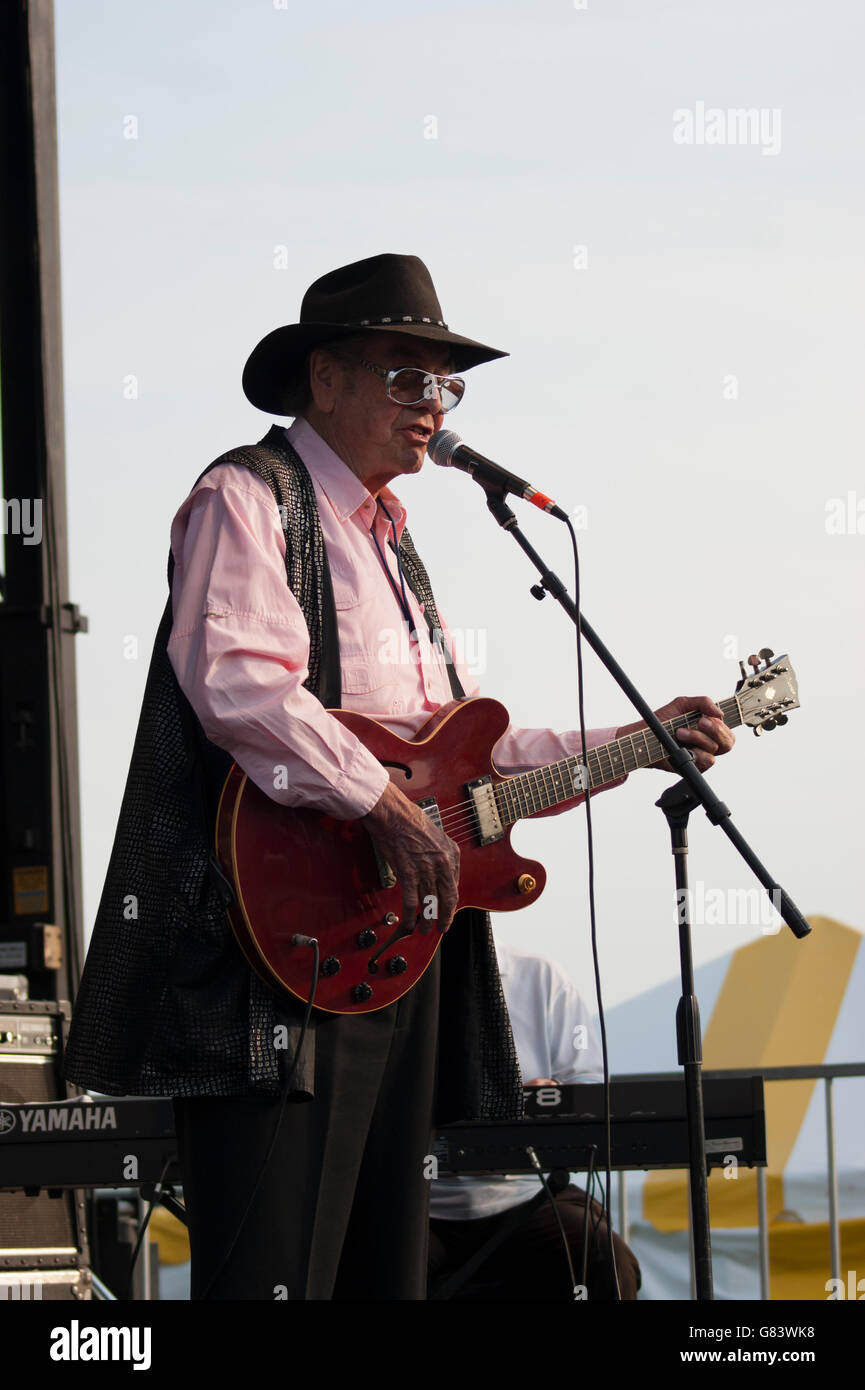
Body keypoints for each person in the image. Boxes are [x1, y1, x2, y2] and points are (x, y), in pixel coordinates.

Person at [63, 253, 734, 1300]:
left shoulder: (394, 550)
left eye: (445, 385)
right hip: (270, 951)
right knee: (274, 1271)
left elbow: (464, 760)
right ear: (324, 378)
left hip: (391, 945)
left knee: (382, 1269)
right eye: (406, 375)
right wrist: (379, 803)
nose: (432, 404)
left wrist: (640, 738)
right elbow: (239, 683)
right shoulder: (248, 495)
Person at [428, 942, 642, 1299]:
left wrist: (552, 1097)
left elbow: (588, 1086)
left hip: (527, 1196)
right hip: (420, 1203)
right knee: (373, 1266)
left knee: (603, 1258)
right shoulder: (389, 983)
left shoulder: (540, 977)